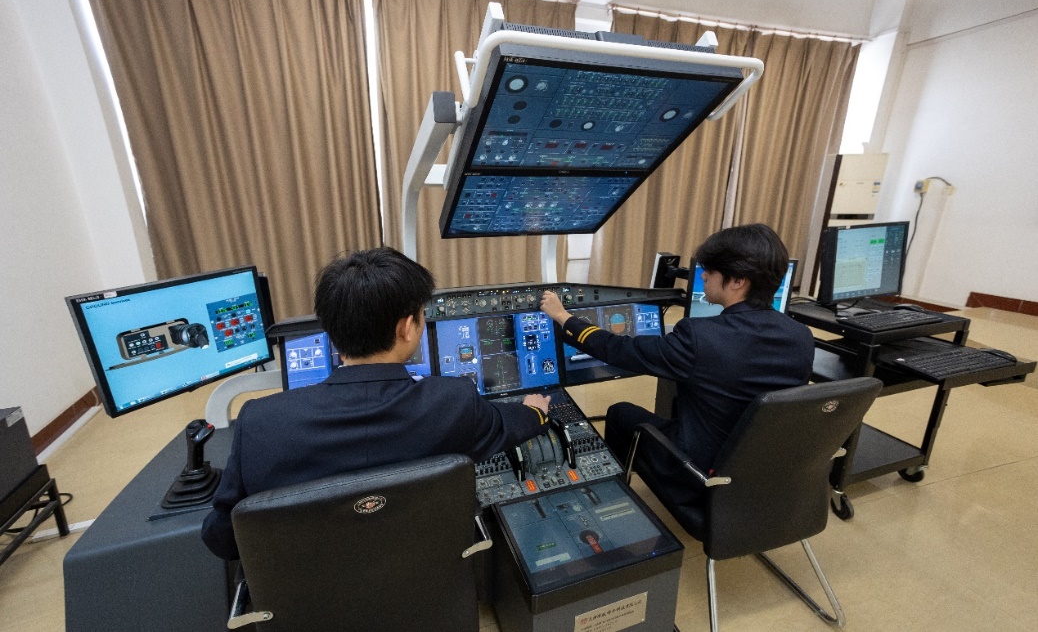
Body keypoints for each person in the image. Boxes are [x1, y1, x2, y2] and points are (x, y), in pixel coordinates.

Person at [202, 248, 550, 560]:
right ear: (407, 328)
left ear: (330, 333)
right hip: (425, 581)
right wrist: (535, 411)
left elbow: (222, 538)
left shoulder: (260, 421)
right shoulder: (453, 402)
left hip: (309, 596)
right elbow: (509, 424)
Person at [540, 223, 814, 508]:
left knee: (621, 412)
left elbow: (622, 350)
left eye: (710, 270)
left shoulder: (701, 337)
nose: (703, 276)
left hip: (700, 476)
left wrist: (563, 318)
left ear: (737, 281)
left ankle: (616, 501)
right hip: (762, 474)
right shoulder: (801, 336)